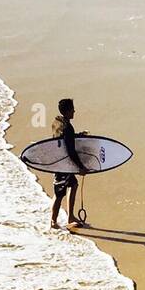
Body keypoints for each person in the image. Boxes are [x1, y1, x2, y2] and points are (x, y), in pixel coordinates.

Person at [51, 98, 86, 230]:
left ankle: (70, 216)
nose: (74, 111)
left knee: (74, 184)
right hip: (63, 165)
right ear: (67, 111)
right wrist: (80, 167)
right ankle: (53, 222)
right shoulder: (68, 127)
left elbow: (62, 139)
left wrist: (77, 135)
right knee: (59, 193)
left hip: (61, 162)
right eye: (72, 109)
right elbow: (70, 150)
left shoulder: (57, 122)